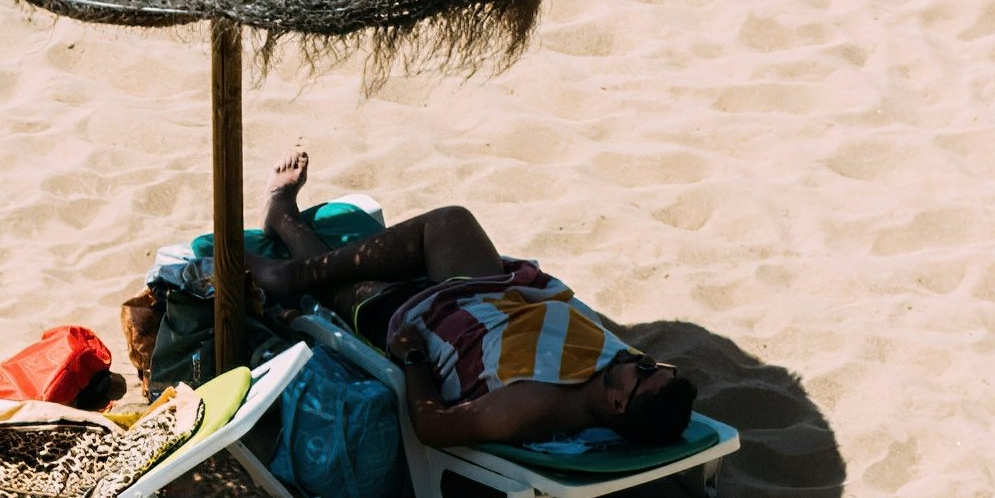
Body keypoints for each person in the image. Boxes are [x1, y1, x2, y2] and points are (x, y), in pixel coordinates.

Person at [244, 172, 691, 459]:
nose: (642, 359)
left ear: (618, 404)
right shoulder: (615, 379)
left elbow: (434, 427)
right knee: (450, 221)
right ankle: (292, 258)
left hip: (428, 326)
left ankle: (285, 228)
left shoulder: (535, 405)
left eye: (645, 370)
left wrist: (414, 358)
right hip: (491, 298)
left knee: (339, 286)